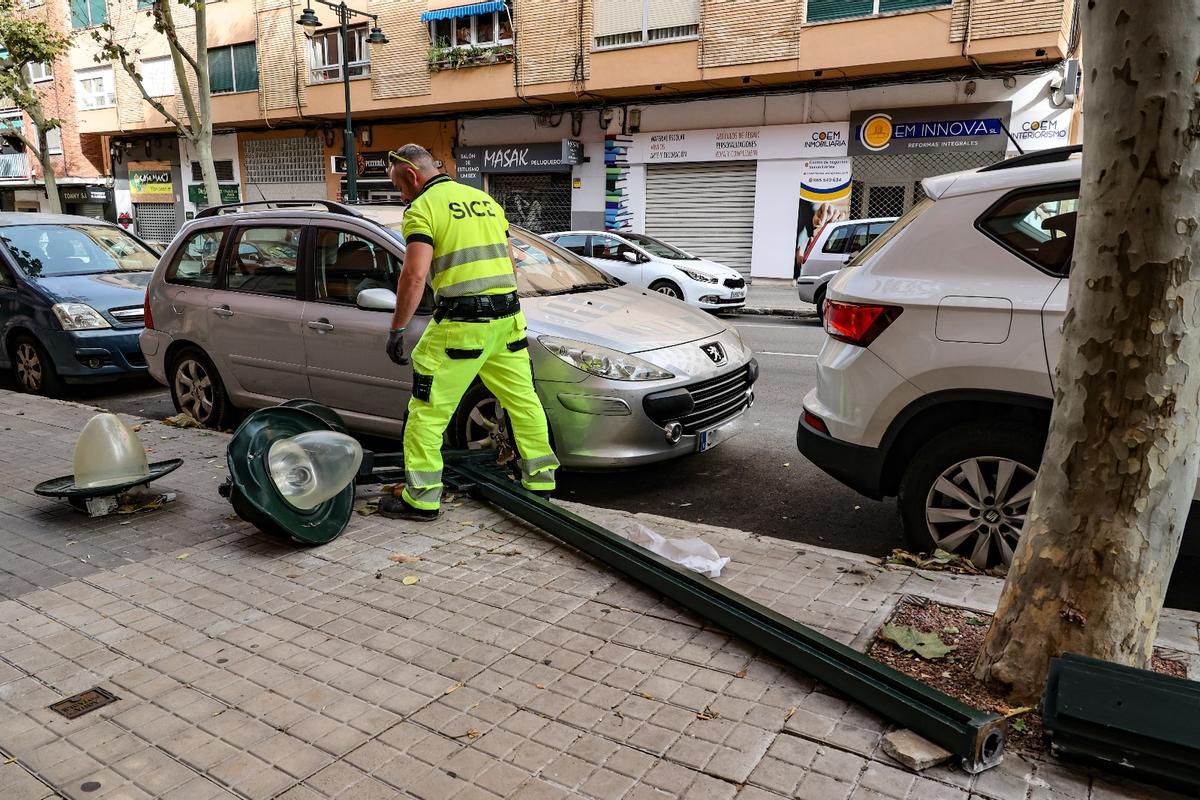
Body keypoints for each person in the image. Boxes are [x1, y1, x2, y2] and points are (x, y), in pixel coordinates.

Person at [379, 144, 558, 520]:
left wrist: (397, 328)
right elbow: (510, 262)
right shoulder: (484, 201)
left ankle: (422, 498)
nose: (401, 195)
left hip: (461, 328)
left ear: (411, 175)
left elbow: (413, 275)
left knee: (426, 413)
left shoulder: (422, 209)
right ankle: (540, 482)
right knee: (523, 402)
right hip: (507, 321)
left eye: (399, 186)